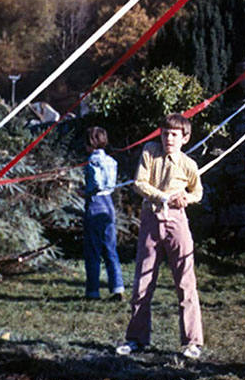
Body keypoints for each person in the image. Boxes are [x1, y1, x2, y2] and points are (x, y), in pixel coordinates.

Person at [116, 114, 204, 359]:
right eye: (165, 133)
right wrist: (165, 197)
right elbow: (140, 183)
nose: (169, 139)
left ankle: (192, 342)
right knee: (143, 280)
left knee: (185, 282)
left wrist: (187, 197)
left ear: (185, 138)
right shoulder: (150, 152)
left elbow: (198, 191)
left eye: (175, 134)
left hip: (177, 221)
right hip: (151, 218)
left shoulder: (189, 164)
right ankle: (136, 339)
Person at [83, 126, 124, 301]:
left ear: (89, 143)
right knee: (110, 249)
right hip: (109, 203)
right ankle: (117, 288)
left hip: (95, 204)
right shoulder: (111, 161)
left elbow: (96, 184)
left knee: (92, 250)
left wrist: (83, 191)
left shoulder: (92, 161)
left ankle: (93, 292)